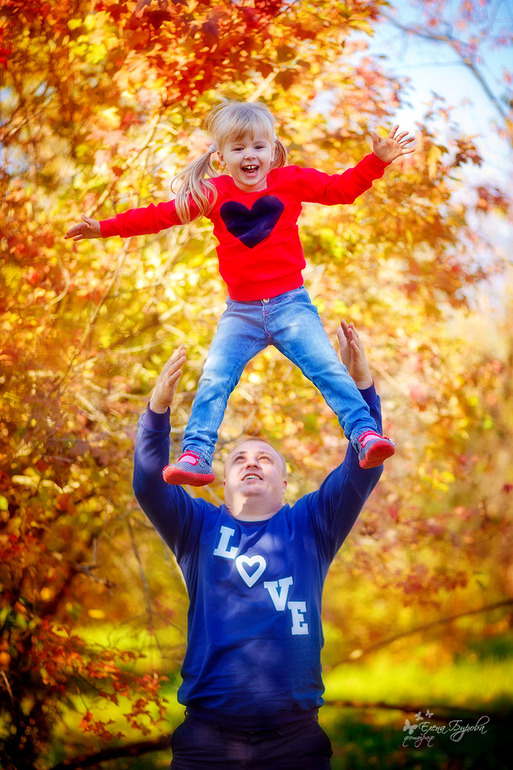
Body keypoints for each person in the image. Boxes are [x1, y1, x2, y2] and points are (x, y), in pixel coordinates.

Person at [66, 101, 414, 485]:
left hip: (291, 306)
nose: (250, 155)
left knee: (328, 368)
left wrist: (376, 161)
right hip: (241, 314)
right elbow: (158, 216)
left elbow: (341, 189)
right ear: (221, 157)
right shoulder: (212, 193)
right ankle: (196, 455)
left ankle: (365, 434)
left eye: (258, 146)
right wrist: (104, 228)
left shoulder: (291, 181)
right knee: (214, 379)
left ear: (273, 150)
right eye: (238, 148)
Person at [133, 320, 384, 769]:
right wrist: (157, 410)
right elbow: (149, 485)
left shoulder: (311, 524)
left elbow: (366, 464)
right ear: (222, 481)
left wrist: (362, 387)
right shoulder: (196, 527)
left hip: (295, 742)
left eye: (265, 458)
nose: (252, 463)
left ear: (284, 482)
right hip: (207, 743)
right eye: (239, 460)